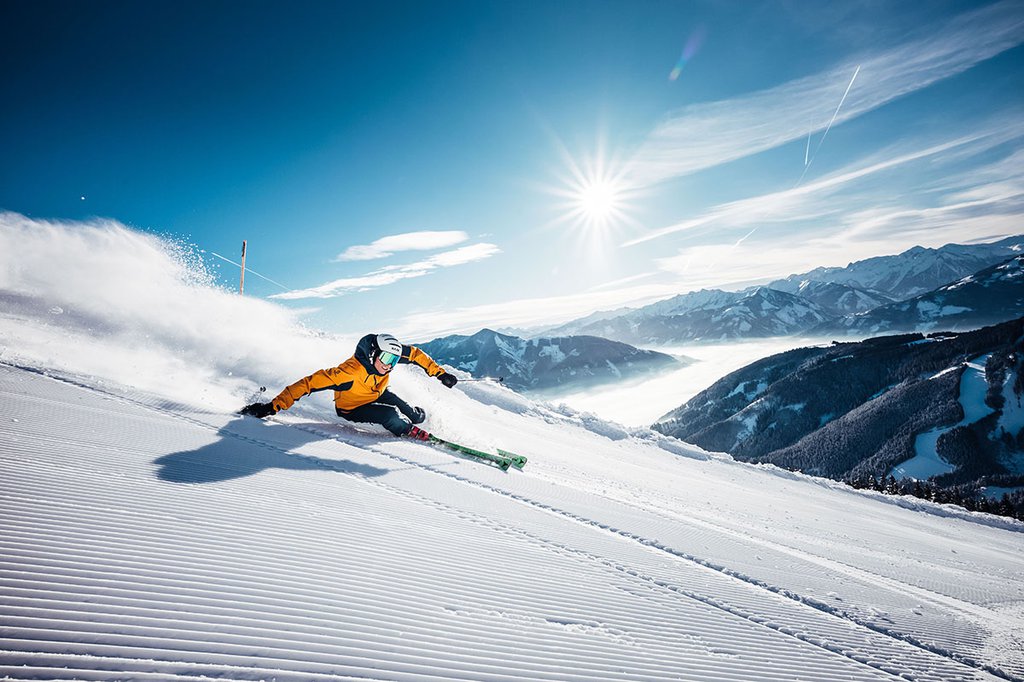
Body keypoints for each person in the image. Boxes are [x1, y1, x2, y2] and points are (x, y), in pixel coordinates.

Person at [240, 333, 458, 440]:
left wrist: (441, 374)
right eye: (385, 359)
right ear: (372, 354)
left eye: (394, 360)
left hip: (377, 392)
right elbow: (307, 384)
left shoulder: (386, 357)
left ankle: (414, 419)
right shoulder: (347, 373)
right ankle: (406, 430)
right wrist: (271, 407)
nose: (389, 365)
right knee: (390, 415)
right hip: (352, 407)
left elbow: (417, 355)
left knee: (413, 412)